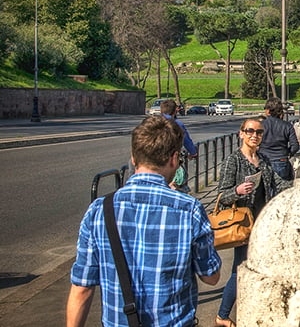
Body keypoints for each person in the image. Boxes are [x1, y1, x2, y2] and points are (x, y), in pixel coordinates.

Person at [66, 116, 221, 327]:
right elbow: (211, 277)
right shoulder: (189, 209)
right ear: (174, 159)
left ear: (133, 158)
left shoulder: (100, 210)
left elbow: (82, 288)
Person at [215, 118, 292, 327]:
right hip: (243, 225)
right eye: (250, 131)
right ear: (241, 133)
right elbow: (221, 196)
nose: (254, 136)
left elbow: (279, 184)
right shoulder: (234, 160)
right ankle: (222, 316)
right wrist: (237, 191)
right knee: (239, 269)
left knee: (258, 266)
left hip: (260, 225)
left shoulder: (263, 160)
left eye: (258, 132)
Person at [259, 97, 300, 181]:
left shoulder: (261, 125)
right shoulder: (287, 126)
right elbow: (295, 146)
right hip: (281, 160)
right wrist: (288, 153)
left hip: (264, 159)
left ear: (268, 110)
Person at [161, 99, 198, 192]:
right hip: (171, 159)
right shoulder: (176, 124)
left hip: (153, 160)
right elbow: (186, 140)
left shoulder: (153, 122)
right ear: (175, 110)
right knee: (179, 181)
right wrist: (193, 153)